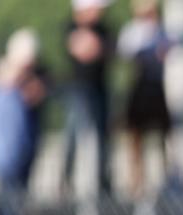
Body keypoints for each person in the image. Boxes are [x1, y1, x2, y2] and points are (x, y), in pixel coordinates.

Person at [0, 28, 47, 215]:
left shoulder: (20, 91)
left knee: (14, 203)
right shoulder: (6, 93)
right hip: (7, 158)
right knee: (9, 203)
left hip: (15, 156)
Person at [117, 0, 172, 198]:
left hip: (155, 88)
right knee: (135, 137)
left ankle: (164, 179)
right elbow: (126, 54)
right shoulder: (132, 32)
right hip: (138, 87)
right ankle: (136, 181)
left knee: (162, 136)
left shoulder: (161, 31)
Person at [62, 0, 113, 198]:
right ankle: (67, 181)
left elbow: (105, 50)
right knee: (74, 135)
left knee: (103, 139)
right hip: (79, 89)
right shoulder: (71, 27)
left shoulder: (104, 29)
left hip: (99, 89)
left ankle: (104, 183)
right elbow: (83, 51)